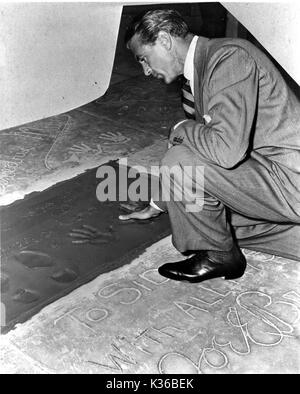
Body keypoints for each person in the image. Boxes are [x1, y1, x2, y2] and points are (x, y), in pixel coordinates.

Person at [119, 9, 300, 283]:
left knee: (180, 159)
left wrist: (180, 130)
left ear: (165, 40)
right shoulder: (206, 64)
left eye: (144, 58)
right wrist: (158, 204)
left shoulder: (229, 57)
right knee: (205, 218)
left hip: (290, 181)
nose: (145, 70)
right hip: (274, 176)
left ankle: (220, 257)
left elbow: (225, 151)